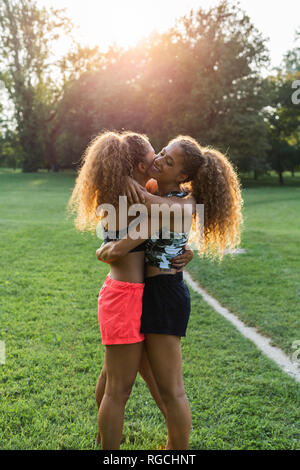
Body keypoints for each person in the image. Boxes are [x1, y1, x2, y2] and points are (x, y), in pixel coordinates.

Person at [96, 135, 244, 450]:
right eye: (162, 152)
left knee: (171, 390)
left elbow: (153, 210)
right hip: (144, 292)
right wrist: (185, 249)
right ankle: (108, 437)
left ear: (182, 177)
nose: (159, 160)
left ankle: (178, 451)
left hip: (164, 295)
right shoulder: (154, 190)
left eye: (168, 161)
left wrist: (122, 175)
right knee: (116, 377)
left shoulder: (182, 203)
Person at [67, 130, 193, 450]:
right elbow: (125, 245)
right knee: (118, 390)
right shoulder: (136, 199)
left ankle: (103, 436)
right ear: (138, 165)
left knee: (111, 377)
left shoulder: (124, 190)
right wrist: (105, 251)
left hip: (123, 292)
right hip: (126, 296)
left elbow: (160, 229)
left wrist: (184, 248)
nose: (158, 160)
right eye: (154, 156)